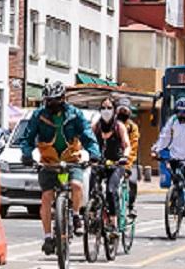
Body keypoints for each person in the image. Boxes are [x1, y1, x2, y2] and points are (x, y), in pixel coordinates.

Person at [19, 81, 101, 255]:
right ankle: (48, 237)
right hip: (49, 161)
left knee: (77, 185)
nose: (51, 104)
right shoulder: (39, 115)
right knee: (47, 196)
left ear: (63, 99)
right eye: (48, 100)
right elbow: (27, 139)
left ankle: (76, 216)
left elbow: (87, 135)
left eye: (55, 100)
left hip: (71, 159)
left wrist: (94, 153)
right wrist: (26, 154)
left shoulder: (75, 114)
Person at [91, 97, 130, 232]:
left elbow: (127, 145)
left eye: (109, 108)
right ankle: (93, 216)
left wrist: (124, 157)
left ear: (114, 111)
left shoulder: (119, 126)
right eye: (103, 108)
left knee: (111, 190)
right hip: (100, 164)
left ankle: (113, 222)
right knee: (92, 188)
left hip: (116, 165)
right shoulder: (96, 126)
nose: (106, 110)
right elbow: (87, 142)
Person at [116, 96, 140, 218]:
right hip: (113, 158)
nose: (123, 113)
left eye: (125, 110)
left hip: (128, 160)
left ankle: (131, 206)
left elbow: (133, 147)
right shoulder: (112, 125)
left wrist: (127, 165)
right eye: (121, 110)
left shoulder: (132, 127)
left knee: (132, 181)